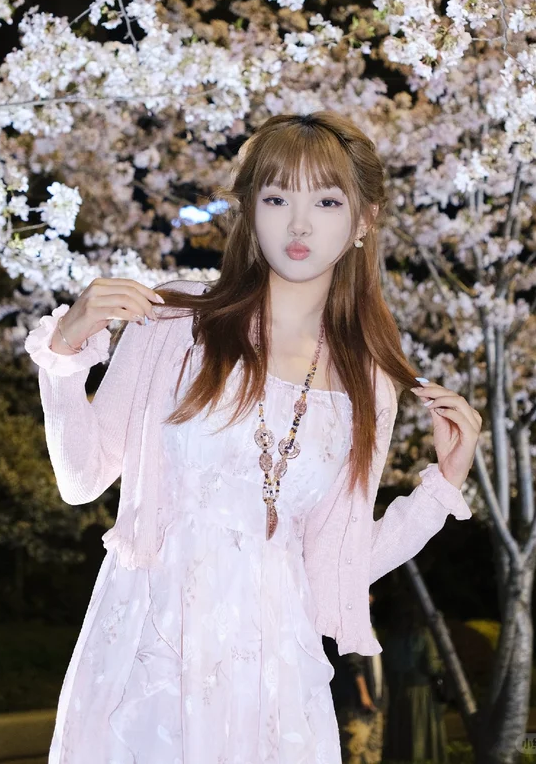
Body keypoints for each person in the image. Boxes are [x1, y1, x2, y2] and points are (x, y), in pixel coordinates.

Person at [24, 111, 480, 763]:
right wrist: (65, 354)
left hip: (273, 678)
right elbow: (80, 477)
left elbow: (335, 563)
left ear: (364, 220)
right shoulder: (177, 320)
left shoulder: (368, 379)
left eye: (327, 201)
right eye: (277, 198)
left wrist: (440, 489)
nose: (299, 225)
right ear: (249, 209)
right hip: (151, 656)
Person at [382, 601, 450, 764]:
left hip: (398, 691)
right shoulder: (423, 635)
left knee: (401, 733)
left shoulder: (391, 637)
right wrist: (443, 666)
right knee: (420, 733)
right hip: (421, 691)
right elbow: (432, 666)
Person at [340, 592, 388, 764]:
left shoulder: (368, 625)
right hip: (357, 705)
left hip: (375, 702)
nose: (371, 598)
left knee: (372, 753)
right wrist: (364, 694)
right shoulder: (350, 625)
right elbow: (353, 663)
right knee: (354, 751)